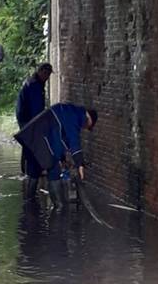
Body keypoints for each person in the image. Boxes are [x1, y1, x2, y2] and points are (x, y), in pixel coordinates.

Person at [14, 103, 98, 210]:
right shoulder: (75, 116)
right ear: (89, 118)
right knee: (54, 171)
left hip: (32, 137)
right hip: (42, 139)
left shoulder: (68, 110)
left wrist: (62, 158)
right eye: (88, 126)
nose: (85, 128)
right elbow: (73, 140)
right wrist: (79, 164)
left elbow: (61, 137)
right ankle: (59, 207)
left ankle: (28, 207)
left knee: (34, 170)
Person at [15, 63, 52, 199]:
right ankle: (31, 171)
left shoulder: (34, 82)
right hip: (28, 119)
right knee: (31, 144)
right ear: (41, 72)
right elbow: (37, 109)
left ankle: (27, 170)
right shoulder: (35, 86)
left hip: (24, 117)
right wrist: (40, 124)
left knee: (28, 143)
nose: (48, 78)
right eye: (47, 75)